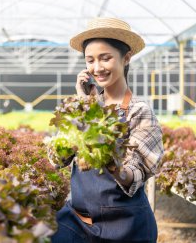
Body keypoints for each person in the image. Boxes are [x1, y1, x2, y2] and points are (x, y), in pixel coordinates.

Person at [51, 17, 164, 243]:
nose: (97, 68)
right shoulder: (84, 106)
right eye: (90, 60)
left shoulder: (140, 112)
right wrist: (82, 107)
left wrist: (101, 143)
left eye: (105, 58)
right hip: (77, 223)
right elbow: (57, 158)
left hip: (127, 228)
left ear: (126, 57)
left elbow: (133, 177)